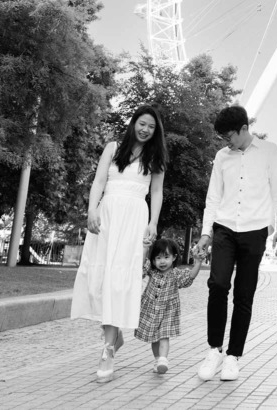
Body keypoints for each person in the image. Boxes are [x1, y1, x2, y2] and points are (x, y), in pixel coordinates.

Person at [70, 105, 167, 383]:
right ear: (133, 123)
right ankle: (114, 336)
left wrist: (153, 223)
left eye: (151, 126)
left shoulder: (155, 156)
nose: (145, 129)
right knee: (102, 278)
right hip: (108, 216)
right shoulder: (113, 148)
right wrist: (92, 210)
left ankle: (108, 349)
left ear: (155, 131)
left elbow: (157, 192)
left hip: (135, 218)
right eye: (142, 123)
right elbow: (99, 181)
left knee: (119, 280)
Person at [193, 105, 277, 382]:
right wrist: (205, 233)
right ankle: (214, 350)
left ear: (245, 129)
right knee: (218, 285)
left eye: (230, 136)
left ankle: (233, 356)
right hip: (224, 229)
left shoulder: (270, 151)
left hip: (255, 230)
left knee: (244, 295)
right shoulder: (222, 157)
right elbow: (213, 198)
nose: (227, 142)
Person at [136, 237, 203, 373]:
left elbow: (190, 277)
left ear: (174, 258)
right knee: (154, 338)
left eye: (166, 257)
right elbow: (140, 268)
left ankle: (163, 359)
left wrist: (198, 263)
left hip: (168, 311)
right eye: (158, 258)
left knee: (164, 335)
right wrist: (145, 248)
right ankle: (157, 360)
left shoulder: (175, 274)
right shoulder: (151, 271)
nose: (162, 261)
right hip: (150, 310)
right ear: (153, 260)